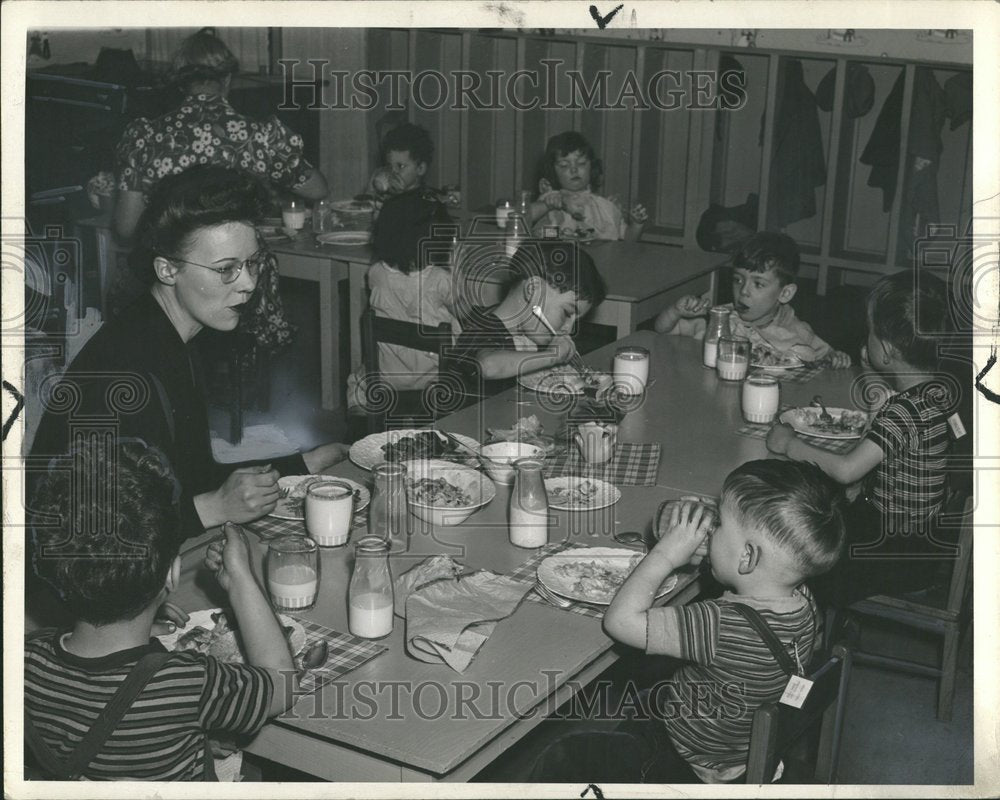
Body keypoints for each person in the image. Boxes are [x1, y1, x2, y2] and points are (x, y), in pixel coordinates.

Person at [30, 166, 348, 544]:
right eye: (226, 269)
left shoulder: (168, 332)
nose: (248, 283)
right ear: (167, 269)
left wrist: (303, 464)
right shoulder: (128, 374)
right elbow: (103, 536)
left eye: (253, 262)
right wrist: (216, 507)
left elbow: (189, 474)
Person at [24, 440, 298, 781]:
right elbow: (281, 685)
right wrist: (242, 578)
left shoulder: (27, 660)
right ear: (172, 574)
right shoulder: (188, 682)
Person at [600, 460, 846, 783]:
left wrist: (665, 555)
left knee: (572, 752)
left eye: (719, 525)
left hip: (689, 756)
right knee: (650, 691)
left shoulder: (716, 624)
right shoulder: (805, 600)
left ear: (747, 557)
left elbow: (618, 622)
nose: (710, 529)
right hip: (746, 748)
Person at [766, 270, 960, 606]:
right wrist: (874, 378)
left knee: (801, 544)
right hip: (920, 544)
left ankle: (806, 633)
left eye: (869, 332)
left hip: (891, 551)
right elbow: (889, 431)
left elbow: (847, 470)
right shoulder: (936, 393)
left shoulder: (905, 411)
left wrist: (788, 444)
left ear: (886, 350)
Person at [114, 27, 328, 241]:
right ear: (227, 79)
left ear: (181, 83)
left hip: (175, 267)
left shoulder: (145, 137)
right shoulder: (260, 136)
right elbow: (318, 190)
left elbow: (126, 228)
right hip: (242, 266)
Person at [654, 231, 852, 367]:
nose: (744, 291)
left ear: (785, 293)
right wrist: (675, 311)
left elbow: (825, 357)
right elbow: (666, 329)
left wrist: (836, 358)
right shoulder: (721, 320)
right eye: (738, 280)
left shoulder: (797, 331)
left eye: (758, 284)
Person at [448, 240, 607, 399]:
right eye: (566, 313)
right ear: (533, 290)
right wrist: (552, 355)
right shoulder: (482, 328)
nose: (569, 329)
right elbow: (487, 366)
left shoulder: (526, 333)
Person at [347, 190, 457, 412]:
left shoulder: (376, 273)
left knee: (357, 379)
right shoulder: (441, 280)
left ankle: (363, 423)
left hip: (386, 381)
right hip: (432, 382)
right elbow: (462, 310)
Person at [528, 130, 648, 242]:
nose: (574, 169)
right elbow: (534, 229)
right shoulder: (553, 200)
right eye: (564, 165)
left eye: (581, 163)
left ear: (592, 167)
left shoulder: (603, 207)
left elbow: (628, 239)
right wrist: (548, 209)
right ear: (552, 172)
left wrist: (637, 224)